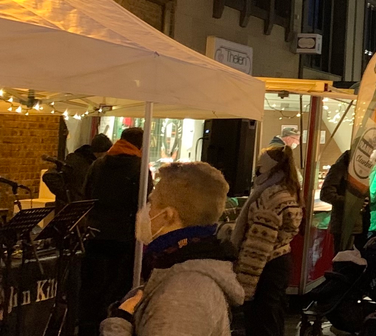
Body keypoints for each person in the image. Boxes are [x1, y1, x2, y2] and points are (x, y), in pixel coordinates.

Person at [100, 162, 241, 336]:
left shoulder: (184, 295)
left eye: (151, 202)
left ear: (168, 215)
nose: (146, 211)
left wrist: (118, 322)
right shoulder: (179, 267)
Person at [228, 145, 303, 336]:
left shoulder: (270, 196)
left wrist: (245, 285)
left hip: (266, 266)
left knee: (261, 321)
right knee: (273, 317)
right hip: (279, 262)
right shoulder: (288, 190)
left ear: (268, 168)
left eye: (260, 166)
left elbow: (258, 246)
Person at [82, 127, 145, 336]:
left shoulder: (98, 164)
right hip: (124, 237)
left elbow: (86, 195)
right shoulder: (140, 168)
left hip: (95, 234)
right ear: (140, 145)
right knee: (119, 288)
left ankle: (88, 329)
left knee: (92, 289)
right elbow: (142, 204)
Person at [57, 133, 111, 202]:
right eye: (106, 153)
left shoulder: (89, 162)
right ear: (99, 153)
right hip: (79, 202)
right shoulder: (80, 162)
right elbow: (50, 176)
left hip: (82, 202)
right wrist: (69, 196)